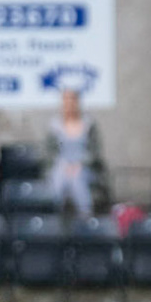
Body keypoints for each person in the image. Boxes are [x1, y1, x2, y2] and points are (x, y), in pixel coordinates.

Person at [43, 89, 103, 217]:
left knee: (77, 179)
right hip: (61, 166)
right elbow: (49, 153)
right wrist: (63, 165)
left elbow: (95, 153)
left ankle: (86, 216)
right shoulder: (54, 126)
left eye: (72, 101)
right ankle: (53, 217)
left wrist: (79, 164)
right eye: (66, 101)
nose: (69, 105)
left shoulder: (89, 125)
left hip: (85, 167)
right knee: (59, 177)